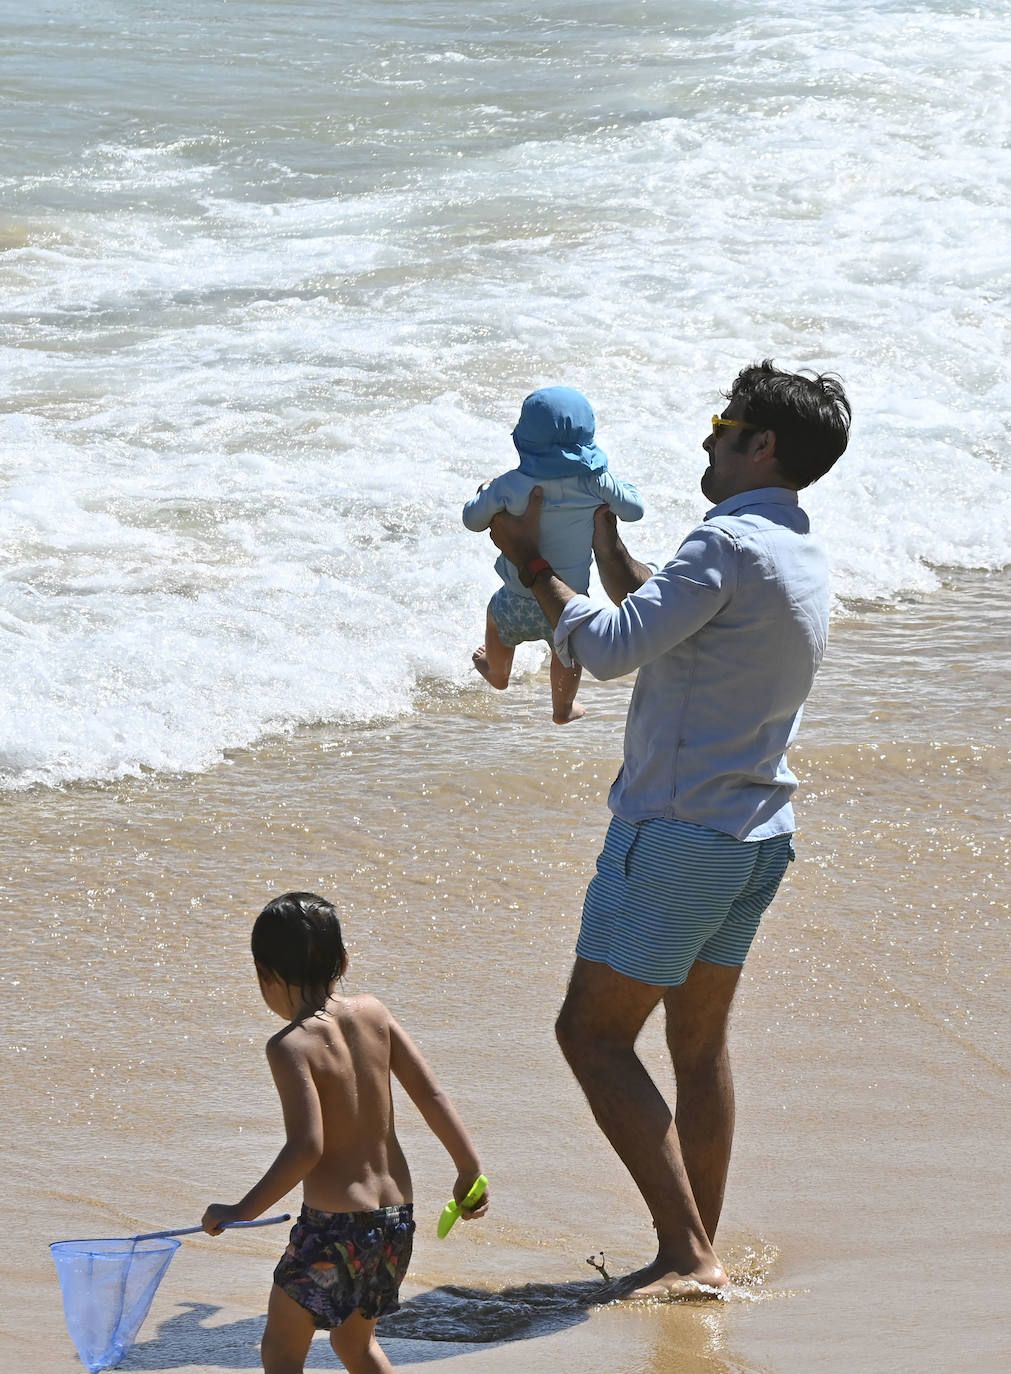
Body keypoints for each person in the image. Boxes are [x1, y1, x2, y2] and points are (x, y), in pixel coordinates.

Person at [486, 360, 850, 1300]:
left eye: (723, 422)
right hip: (755, 835)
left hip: (680, 833)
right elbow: (670, 614)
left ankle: (687, 1255)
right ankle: (695, 1247)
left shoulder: (721, 543)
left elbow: (607, 651)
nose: (707, 438)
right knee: (696, 1049)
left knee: (591, 1038)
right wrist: (603, 544)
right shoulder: (795, 545)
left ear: (759, 443)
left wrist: (531, 562)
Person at [202, 891, 488, 1374]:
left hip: (334, 1229)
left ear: (264, 975)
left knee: (280, 1350)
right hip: (394, 1221)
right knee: (355, 1347)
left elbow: (306, 1147)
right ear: (344, 960)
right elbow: (432, 1095)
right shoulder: (375, 1013)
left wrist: (241, 1211)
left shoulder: (290, 1046)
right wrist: (468, 1169)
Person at [463, 385, 643, 723]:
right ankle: (562, 708)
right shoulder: (596, 482)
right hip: (566, 604)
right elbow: (635, 510)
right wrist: (618, 487)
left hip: (516, 599)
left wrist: (485, 493)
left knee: (495, 617)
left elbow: (472, 520)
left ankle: (497, 673)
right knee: (568, 655)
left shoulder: (511, 484)